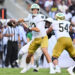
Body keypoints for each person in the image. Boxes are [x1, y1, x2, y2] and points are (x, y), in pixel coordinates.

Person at [19, 3, 54, 74]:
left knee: (45, 51)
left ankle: (51, 68)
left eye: (36, 9)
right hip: (35, 39)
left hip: (43, 37)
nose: (35, 11)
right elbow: (25, 19)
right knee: (29, 55)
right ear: (31, 10)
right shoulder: (30, 16)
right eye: (33, 9)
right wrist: (19, 20)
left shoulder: (40, 16)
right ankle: (26, 67)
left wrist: (28, 27)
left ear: (38, 10)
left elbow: (38, 29)